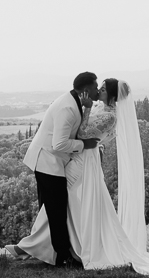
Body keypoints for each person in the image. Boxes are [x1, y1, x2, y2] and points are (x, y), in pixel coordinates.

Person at [9, 78, 149, 275]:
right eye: (98, 87)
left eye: (102, 88)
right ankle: (40, 247)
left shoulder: (110, 116)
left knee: (63, 205)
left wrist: (86, 109)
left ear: (110, 95)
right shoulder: (102, 110)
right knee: (61, 205)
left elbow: (83, 134)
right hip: (79, 158)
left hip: (83, 162)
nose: (98, 90)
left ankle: (35, 247)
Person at [18, 72, 101, 267]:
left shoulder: (75, 102)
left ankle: (48, 252)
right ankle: (63, 257)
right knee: (56, 211)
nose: (98, 90)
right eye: (96, 87)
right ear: (86, 90)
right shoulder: (67, 107)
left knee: (52, 209)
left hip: (51, 160)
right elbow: (59, 144)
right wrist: (83, 145)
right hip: (46, 160)